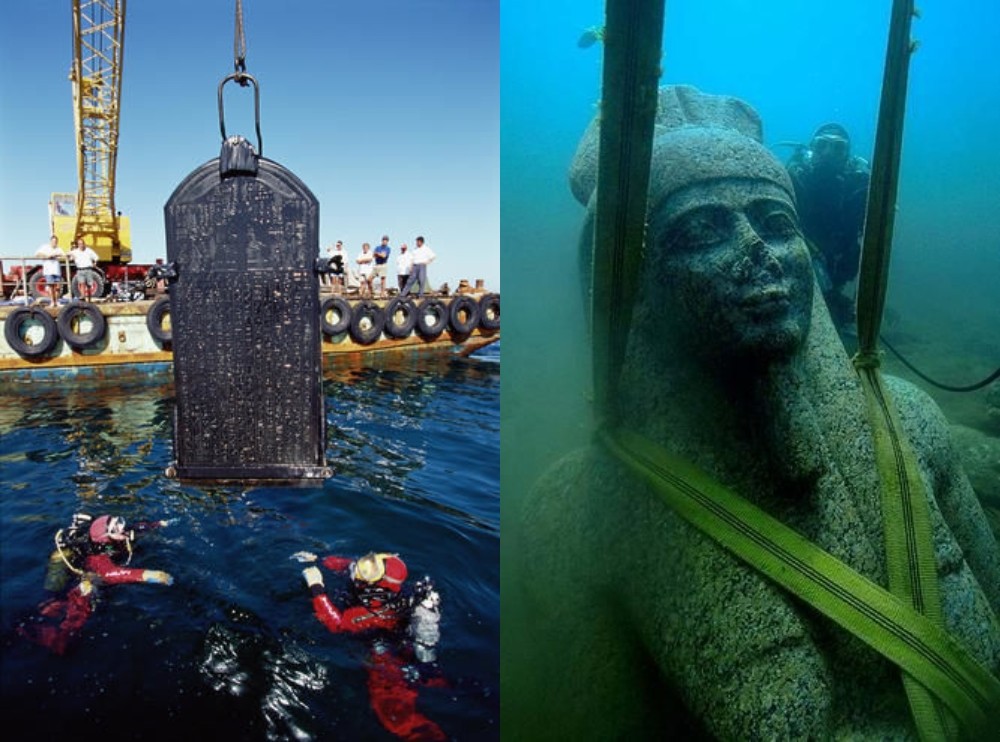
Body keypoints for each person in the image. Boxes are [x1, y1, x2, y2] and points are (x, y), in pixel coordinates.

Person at [518, 85, 1000, 739]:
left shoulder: (911, 423)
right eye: (701, 231)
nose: (759, 251)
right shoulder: (580, 513)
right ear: (635, 293)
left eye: (776, 225)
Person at [293, 549, 445, 741]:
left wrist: (317, 588)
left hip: (385, 647)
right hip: (393, 632)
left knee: (392, 707)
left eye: (367, 569)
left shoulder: (369, 614)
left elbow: (337, 625)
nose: (358, 568)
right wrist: (321, 558)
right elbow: (349, 566)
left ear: (377, 585)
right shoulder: (380, 587)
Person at [17, 513, 174, 655]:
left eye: (119, 520)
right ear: (106, 538)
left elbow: (138, 527)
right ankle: (57, 638)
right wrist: (149, 575)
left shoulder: (118, 535)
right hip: (77, 568)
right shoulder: (98, 556)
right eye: (116, 527)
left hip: (95, 557)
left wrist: (158, 524)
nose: (122, 526)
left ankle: (47, 612)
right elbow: (110, 574)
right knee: (82, 592)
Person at [785, 123, 871, 326]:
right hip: (800, 257)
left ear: (847, 154)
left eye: (838, 148)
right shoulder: (795, 178)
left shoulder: (858, 186)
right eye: (821, 145)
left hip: (838, 262)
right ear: (811, 149)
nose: (828, 153)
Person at [38, 235, 63, 306]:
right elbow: (37, 254)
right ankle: (52, 301)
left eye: (55, 242)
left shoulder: (59, 248)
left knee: (58, 286)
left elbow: (63, 255)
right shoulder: (45, 247)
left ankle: (57, 301)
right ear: (50, 241)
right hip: (48, 270)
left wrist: (56, 254)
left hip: (57, 270)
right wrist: (47, 256)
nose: (54, 243)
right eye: (53, 241)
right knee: (51, 286)